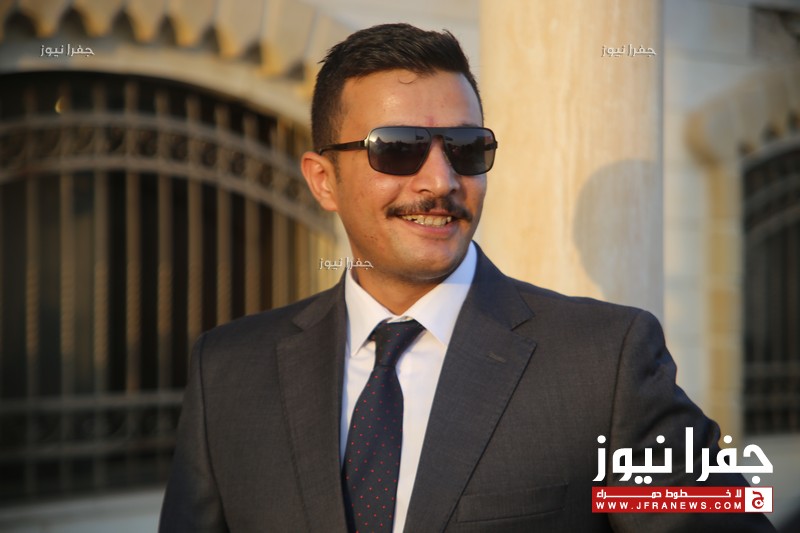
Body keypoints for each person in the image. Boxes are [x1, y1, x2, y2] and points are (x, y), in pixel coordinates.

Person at [159, 23, 775, 532]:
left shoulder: (605, 363)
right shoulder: (229, 371)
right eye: (397, 147)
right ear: (324, 180)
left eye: (466, 148)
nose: (441, 180)